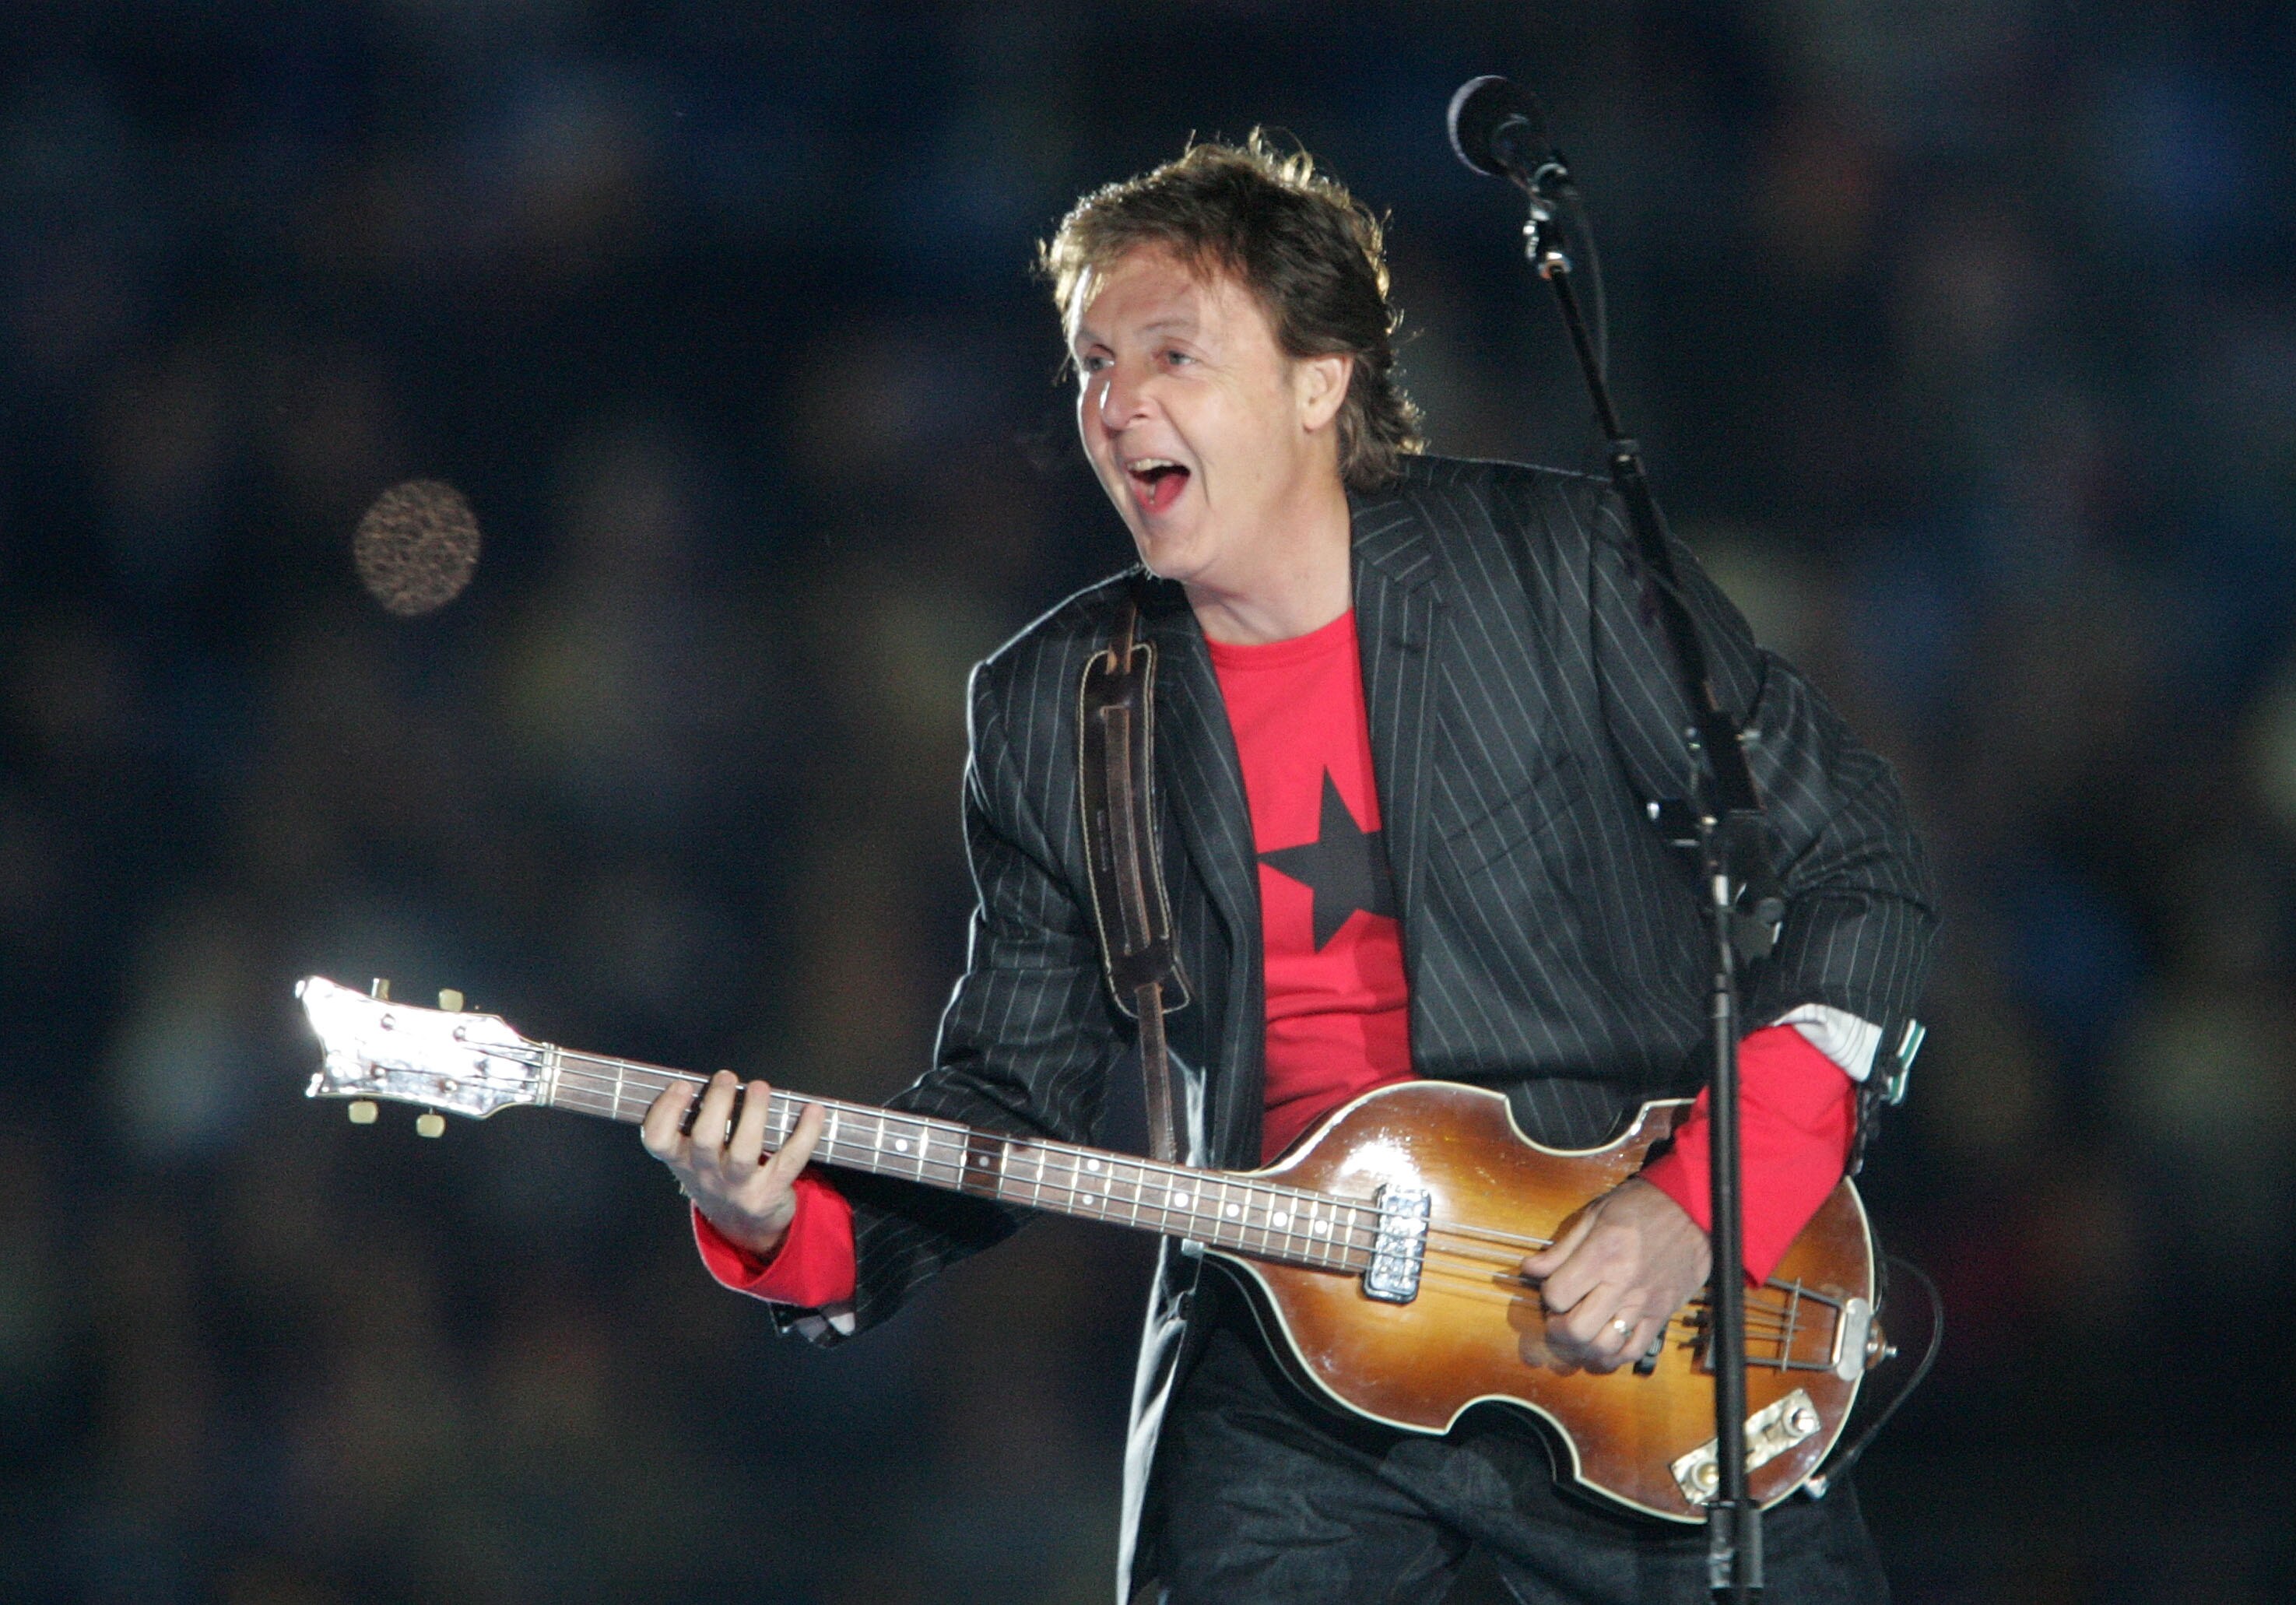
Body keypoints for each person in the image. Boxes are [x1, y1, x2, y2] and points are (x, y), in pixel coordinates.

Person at [642, 135, 1936, 1603]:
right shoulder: (1055, 702)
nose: (1115, 402)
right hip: (1284, 1387)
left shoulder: (1559, 569)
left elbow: (1858, 875)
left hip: (1636, 1328)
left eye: (1172, 354)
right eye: (1090, 364)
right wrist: (787, 1225)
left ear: (1322, 383)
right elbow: (1010, 1095)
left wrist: (1699, 1205)